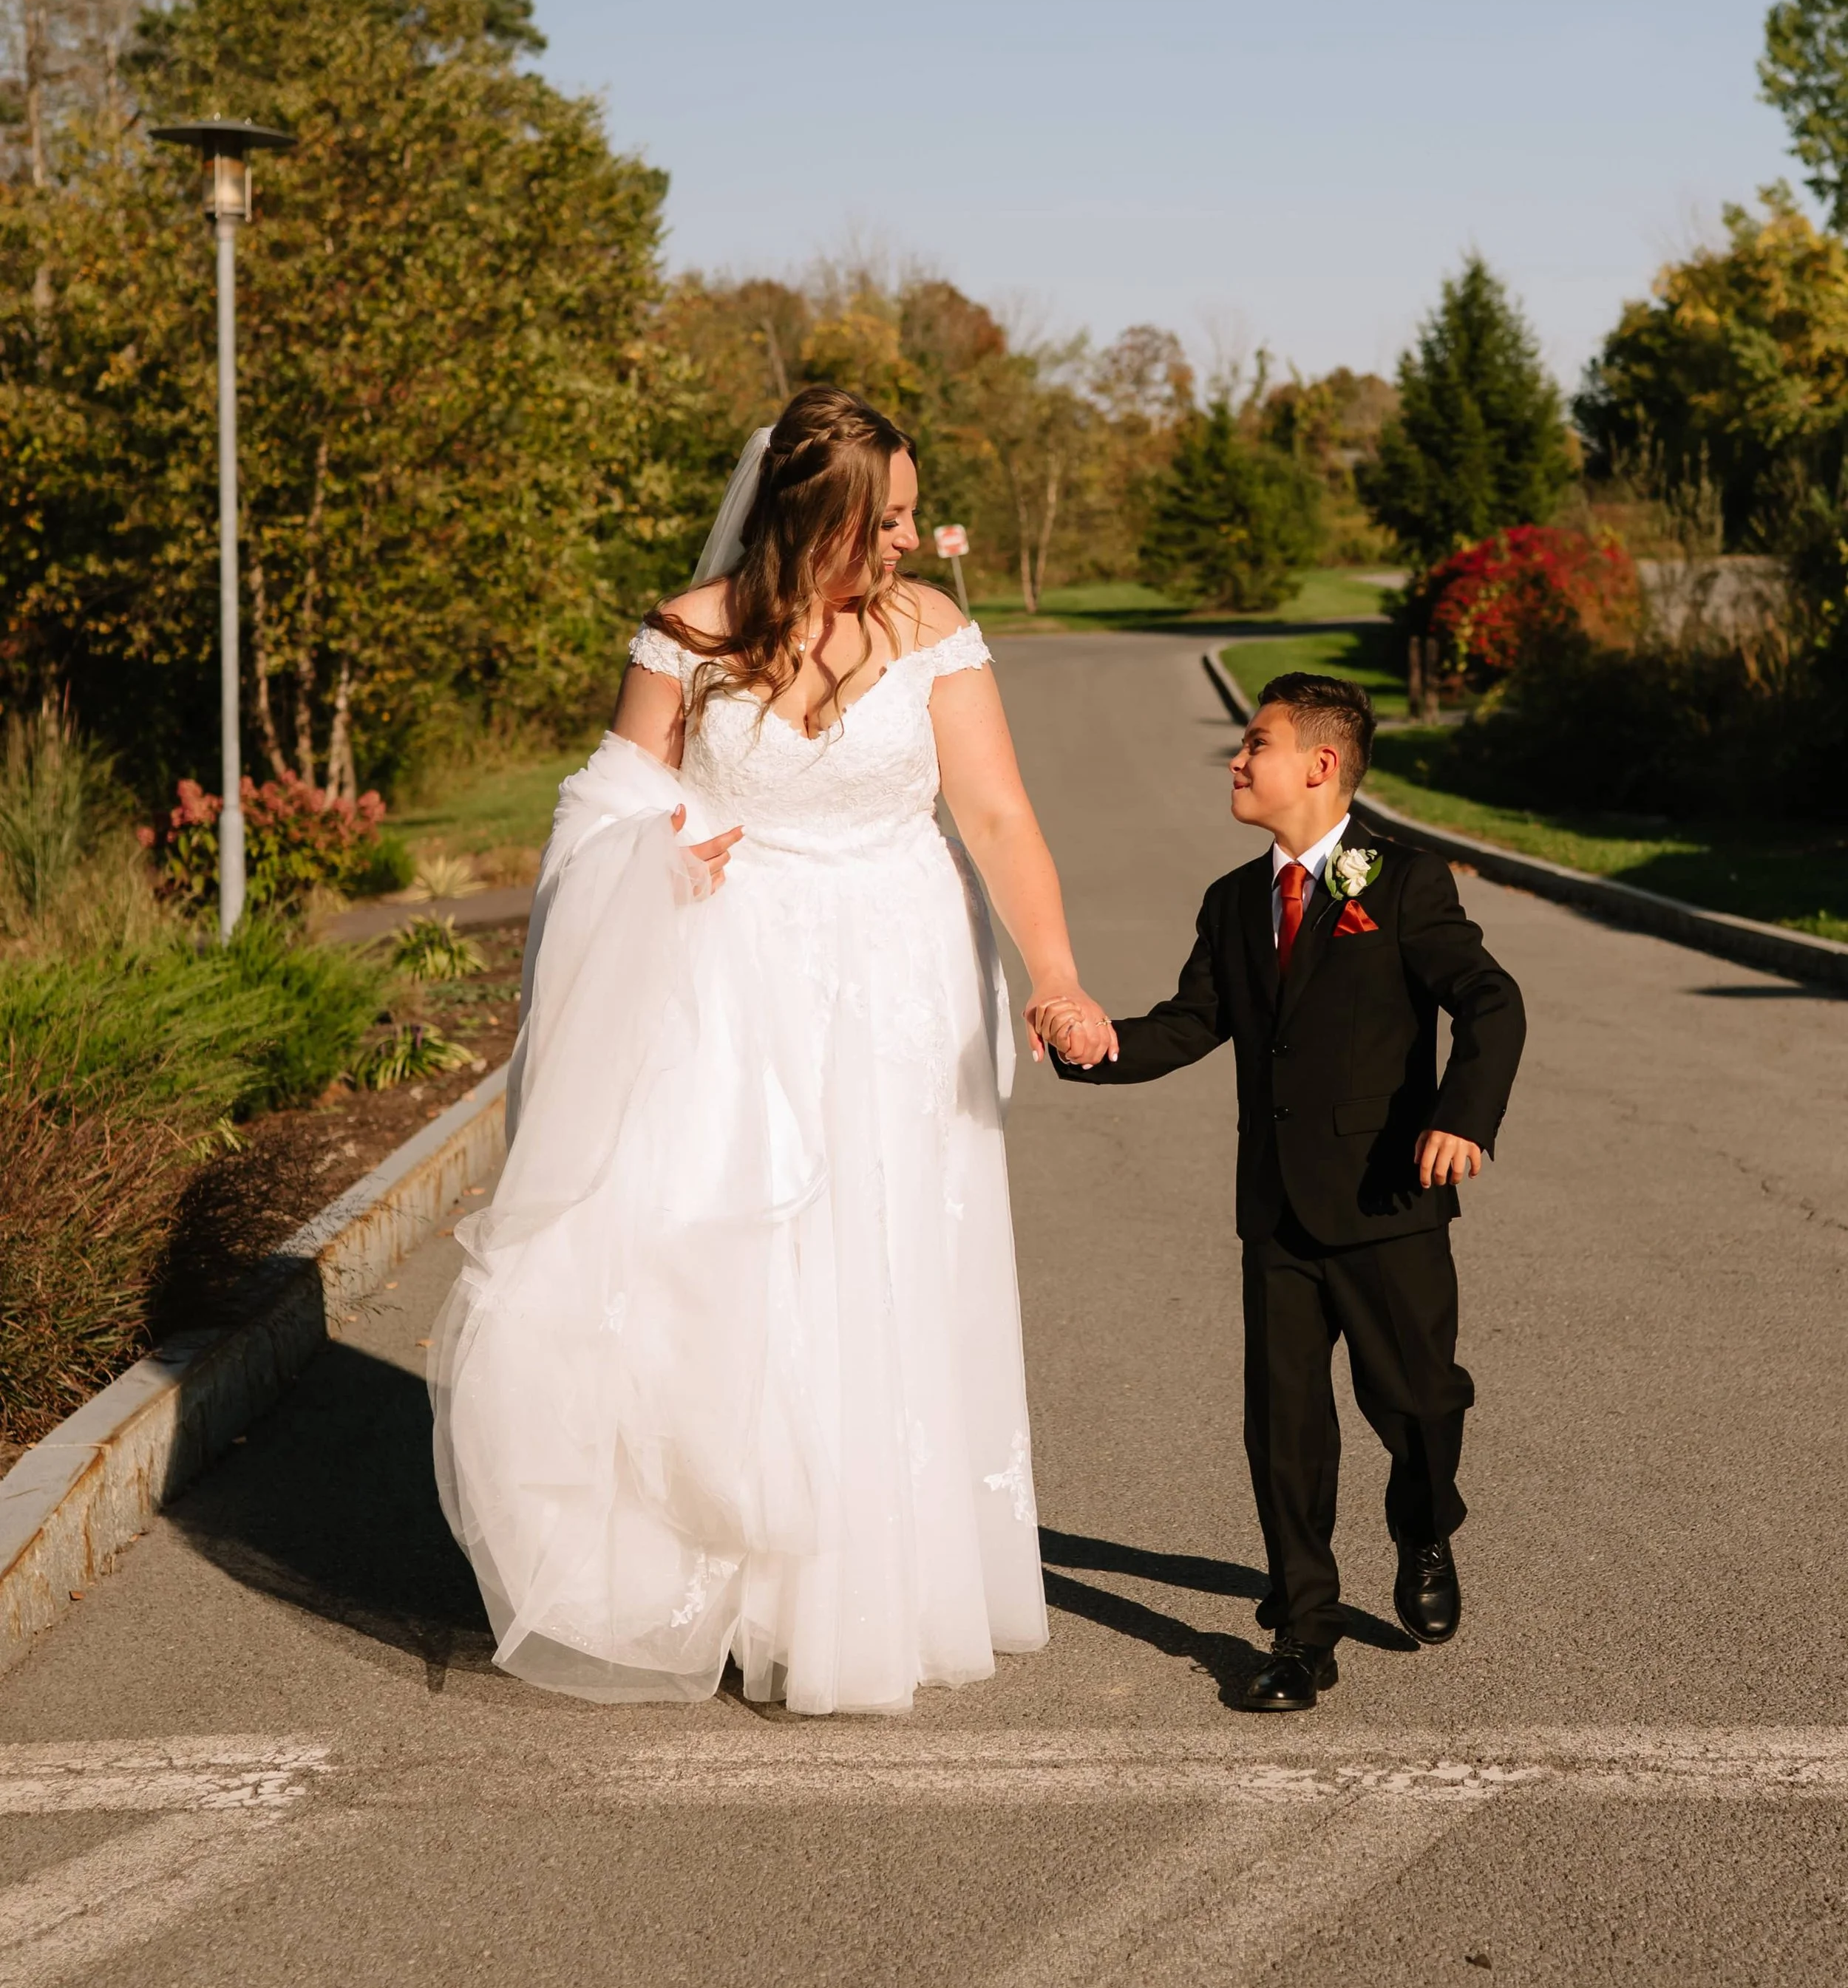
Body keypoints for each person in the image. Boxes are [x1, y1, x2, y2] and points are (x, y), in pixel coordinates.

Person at [432, 385, 1114, 1712]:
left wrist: (1059, 974)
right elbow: (609, 798)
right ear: (817, 518)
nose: (911, 543)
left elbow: (996, 809)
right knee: (725, 1261)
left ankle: (868, 1583)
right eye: (892, 520)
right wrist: (655, 841)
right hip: (727, 979)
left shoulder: (930, 630)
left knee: (883, 1255)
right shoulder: (688, 634)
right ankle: (730, 1578)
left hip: (898, 977)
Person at [1047, 673, 1525, 1713]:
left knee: (1421, 1404)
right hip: (1275, 1216)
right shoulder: (1231, 902)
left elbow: (1492, 1000)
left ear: (1318, 764)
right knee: (1286, 1427)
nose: (1236, 758)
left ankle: (1423, 1521)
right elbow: (1192, 1020)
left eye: (1254, 742)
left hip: (1391, 1199)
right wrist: (1099, 1044)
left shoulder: (1399, 883)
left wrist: (1461, 1115)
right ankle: (1304, 1630)